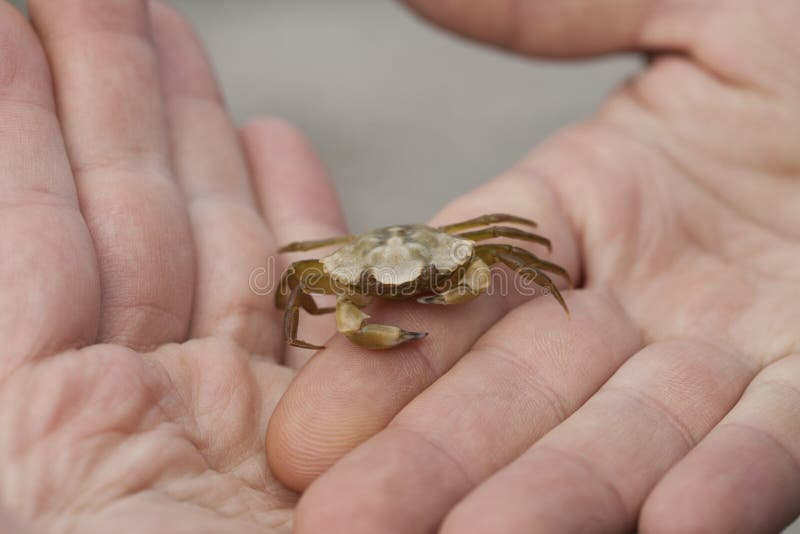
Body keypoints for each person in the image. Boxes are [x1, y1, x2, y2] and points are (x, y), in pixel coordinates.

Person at [0, 0, 797, 532]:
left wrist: (525, 287)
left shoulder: (473, 249)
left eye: (424, 283)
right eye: (389, 291)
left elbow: (509, 249)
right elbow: (300, 277)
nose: (408, 294)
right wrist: (300, 318)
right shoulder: (341, 275)